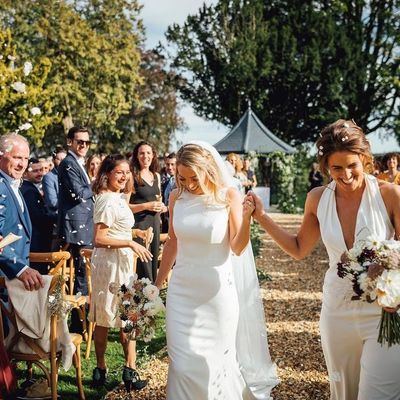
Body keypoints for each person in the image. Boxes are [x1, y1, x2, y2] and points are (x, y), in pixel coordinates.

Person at [247, 119, 400, 400]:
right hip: (337, 312)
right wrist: (262, 217)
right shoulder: (318, 198)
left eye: (352, 166)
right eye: (336, 168)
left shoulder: (390, 195)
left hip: (383, 312)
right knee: (344, 393)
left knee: (379, 393)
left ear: (365, 160)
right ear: (325, 166)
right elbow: (298, 248)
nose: (345, 175)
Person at [154, 141, 278, 399]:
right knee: (183, 364)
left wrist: (246, 221)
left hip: (217, 296)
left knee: (215, 365)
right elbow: (173, 242)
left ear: (208, 170)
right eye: (182, 177)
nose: (188, 184)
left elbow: (238, 247)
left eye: (193, 178)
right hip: (182, 293)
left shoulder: (228, 196)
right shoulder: (176, 196)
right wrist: (156, 285)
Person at [89, 155, 151, 391]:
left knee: (126, 316)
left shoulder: (117, 198)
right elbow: (99, 238)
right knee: (113, 317)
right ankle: (110, 370)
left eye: (127, 172)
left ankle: (120, 370)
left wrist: (137, 234)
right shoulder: (106, 199)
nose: (124, 176)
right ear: (107, 174)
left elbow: (116, 229)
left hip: (122, 263)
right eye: (119, 172)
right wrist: (129, 243)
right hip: (111, 266)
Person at [58, 126, 94, 332]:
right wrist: (97, 183)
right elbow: (79, 193)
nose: (83, 145)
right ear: (70, 142)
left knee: (84, 275)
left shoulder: (78, 163)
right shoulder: (68, 164)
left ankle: (83, 323)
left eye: (87, 142)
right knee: (80, 277)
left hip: (85, 225)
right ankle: (79, 326)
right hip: (77, 228)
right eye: (79, 141)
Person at [0, 133, 44, 291]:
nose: (22, 164)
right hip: (6, 278)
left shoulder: (11, 184)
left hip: (13, 280)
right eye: (17, 157)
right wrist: (20, 269)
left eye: (26, 159)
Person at [129, 141, 167, 282]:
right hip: (139, 226)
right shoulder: (132, 176)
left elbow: (159, 199)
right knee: (142, 265)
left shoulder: (156, 176)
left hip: (155, 224)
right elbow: (125, 206)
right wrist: (146, 206)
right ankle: (140, 300)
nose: (145, 156)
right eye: (142, 153)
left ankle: (152, 298)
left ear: (153, 155)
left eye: (148, 153)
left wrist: (162, 207)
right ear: (137, 156)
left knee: (152, 262)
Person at [21, 158, 57, 272]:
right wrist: (57, 217)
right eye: (35, 171)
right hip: (36, 243)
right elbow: (38, 218)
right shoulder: (29, 191)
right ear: (25, 173)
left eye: (41, 170)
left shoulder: (28, 188)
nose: (40, 173)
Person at [161, 152, 176, 233]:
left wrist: (167, 208)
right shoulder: (167, 182)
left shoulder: (183, 183)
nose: (170, 167)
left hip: (177, 223)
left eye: (173, 164)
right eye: (168, 164)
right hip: (166, 222)